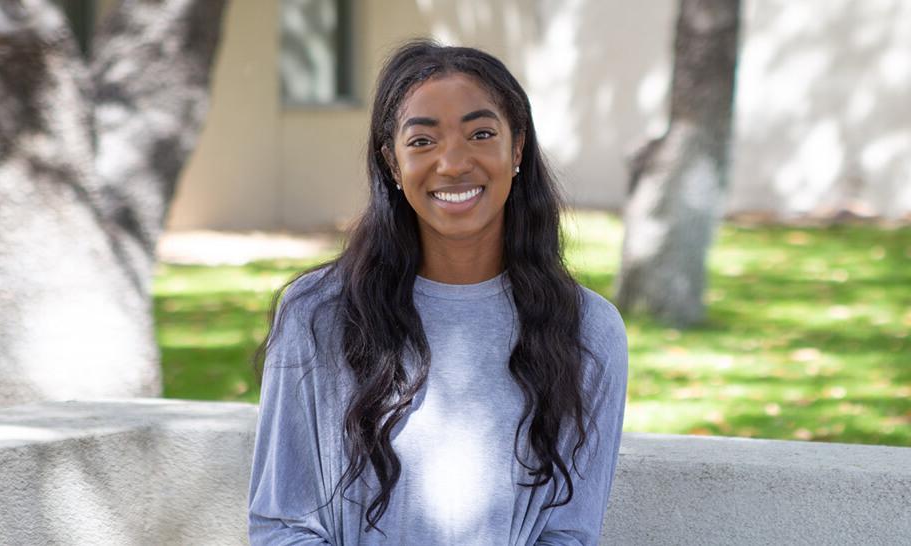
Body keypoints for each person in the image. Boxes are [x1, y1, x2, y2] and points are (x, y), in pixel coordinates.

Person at [247, 40, 629, 546]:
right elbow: (282, 525)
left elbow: (569, 533)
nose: (453, 163)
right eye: (423, 141)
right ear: (391, 161)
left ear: (516, 149)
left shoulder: (588, 330)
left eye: (481, 134)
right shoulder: (318, 313)